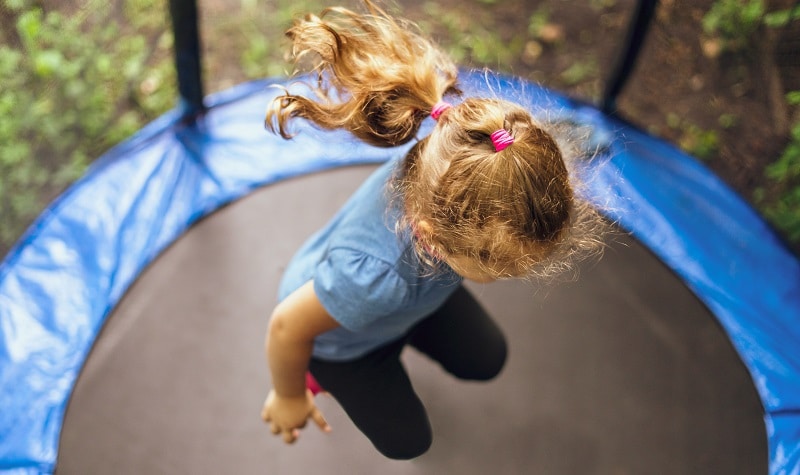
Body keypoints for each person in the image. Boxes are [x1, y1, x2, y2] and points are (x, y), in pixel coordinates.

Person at [261, 0, 605, 460]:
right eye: (497, 264)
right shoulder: (371, 280)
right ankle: (318, 375)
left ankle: (403, 329)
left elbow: (530, 148)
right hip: (340, 338)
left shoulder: (468, 162)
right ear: (433, 236)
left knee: (487, 359)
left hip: (410, 299)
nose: (510, 273)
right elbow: (285, 327)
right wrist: (288, 395)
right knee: (407, 443)